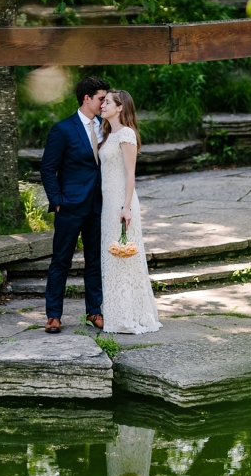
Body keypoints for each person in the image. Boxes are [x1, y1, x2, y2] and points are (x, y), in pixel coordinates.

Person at [40, 76, 109, 333]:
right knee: (61, 260)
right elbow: (48, 168)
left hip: (98, 206)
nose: (105, 103)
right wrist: (57, 201)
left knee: (95, 261)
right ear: (87, 98)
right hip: (69, 206)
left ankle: (94, 311)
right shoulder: (63, 129)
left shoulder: (107, 126)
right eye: (101, 99)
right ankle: (53, 315)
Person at [99, 89, 161, 334]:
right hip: (107, 202)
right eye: (102, 102)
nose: (102, 106)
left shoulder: (126, 134)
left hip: (121, 203)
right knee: (113, 257)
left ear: (120, 107)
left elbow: (130, 173)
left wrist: (126, 208)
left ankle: (129, 316)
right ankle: (117, 314)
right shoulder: (108, 134)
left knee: (125, 256)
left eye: (106, 102)